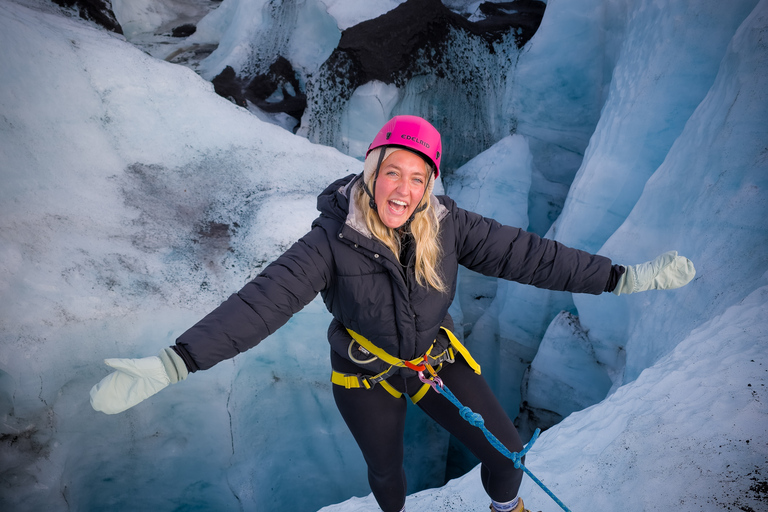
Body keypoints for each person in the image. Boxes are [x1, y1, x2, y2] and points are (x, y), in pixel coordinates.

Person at [90, 115, 696, 512]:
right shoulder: (329, 240)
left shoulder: (450, 226)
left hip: (434, 360)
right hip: (364, 373)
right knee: (386, 471)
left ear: (430, 184)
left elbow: (532, 257)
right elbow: (263, 301)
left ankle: (508, 510)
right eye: (392, 172)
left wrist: (625, 277)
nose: (402, 189)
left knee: (507, 453)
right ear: (372, 172)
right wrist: (176, 361)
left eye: (417, 177)